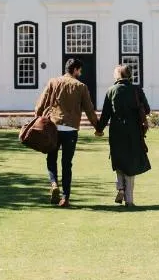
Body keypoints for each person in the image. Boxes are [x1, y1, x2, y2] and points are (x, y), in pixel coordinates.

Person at [34, 58, 99, 208]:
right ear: (75, 70)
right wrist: (97, 127)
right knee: (67, 164)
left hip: (54, 127)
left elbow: (40, 104)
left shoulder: (53, 82)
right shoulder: (81, 87)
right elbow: (89, 110)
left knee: (51, 159)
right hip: (71, 129)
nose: (80, 73)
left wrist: (38, 117)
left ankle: (54, 183)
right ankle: (65, 197)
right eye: (80, 70)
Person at [95, 64, 151, 207]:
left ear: (118, 76)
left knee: (118, 160)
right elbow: (147, 110)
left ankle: (120, 188)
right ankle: (130, 200)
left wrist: (99, 129)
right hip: (133, 131)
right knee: (130, 163)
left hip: (116, 131)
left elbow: (105, 115)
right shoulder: (136, 90)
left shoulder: (111, 91)